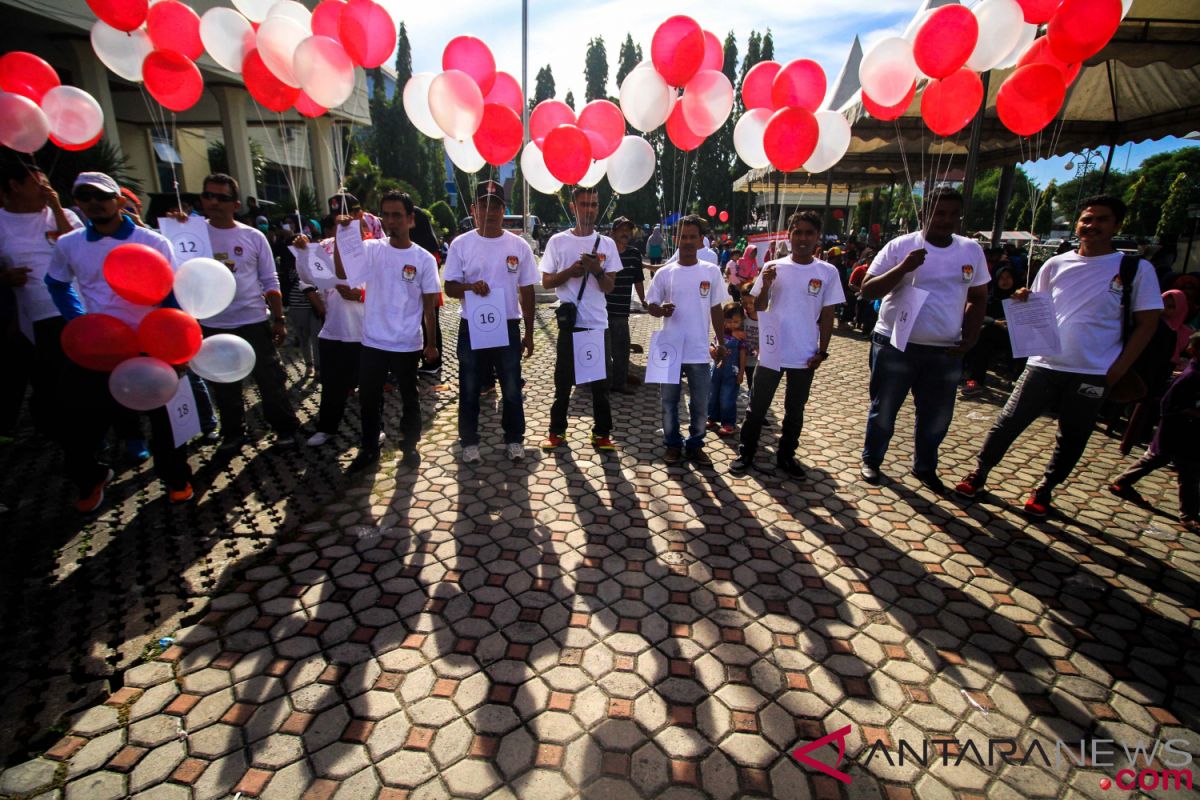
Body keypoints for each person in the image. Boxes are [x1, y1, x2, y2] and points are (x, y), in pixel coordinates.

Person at [955, 195, 1164, 516]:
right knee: (1008, 422)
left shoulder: (1135, 268)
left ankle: (1044, 490)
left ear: (1117, 224)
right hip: (1044, 363)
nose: (1092, 226)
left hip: (1094, 370)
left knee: (1073, 435)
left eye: (1102, 219)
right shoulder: (1056, 263)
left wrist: (1117, 371)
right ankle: (980, 472)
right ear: (1078, 222)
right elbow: (1039, 309)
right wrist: (1023, 298)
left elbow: (1147, 324)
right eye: (1087, 219)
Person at [44, 172, 193, 511]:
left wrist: (174, 343)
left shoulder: (152, 241)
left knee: (166, 422)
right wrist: (78, 320)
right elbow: (56, 283)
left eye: (102, 196)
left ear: (119, 201)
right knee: (77, 422)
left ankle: (175, 478)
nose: (94, 202)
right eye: (85, 196)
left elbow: (172, 294)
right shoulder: (70, 244)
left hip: (151, 345)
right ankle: (91, 477)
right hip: (98, 348)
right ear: (77, 202)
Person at [859, 188, 990, 492]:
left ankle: (925, 466)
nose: (945, 220)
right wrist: (903, 268)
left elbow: (979, 296)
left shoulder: (971, 250)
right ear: (924, 214)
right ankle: (872, 460)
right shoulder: (900, 246)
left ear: (960, 216)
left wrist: (971, 336)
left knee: (937, 417)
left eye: (952, 214)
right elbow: (867, 290)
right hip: (895, 345)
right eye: (938, 213)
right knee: (884, 410)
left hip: (945, 350)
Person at [190, 173, 301, 449]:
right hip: (213, 323)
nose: (214, 202)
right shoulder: (190, 235)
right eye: (208, 195)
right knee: (224, 383)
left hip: (252, 319)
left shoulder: (252, 236)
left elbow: (269, 279)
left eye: (222, 197)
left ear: (236, 204)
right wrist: (176, 225)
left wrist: (279, 319)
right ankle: (233, 432)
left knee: (270, 378)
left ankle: (284, 427)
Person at [332, 191, 440, 473]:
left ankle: (410, 446)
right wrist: (341, 236)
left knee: (409, 397)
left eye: (397, 215)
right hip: (373, 341)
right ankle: (369, 446)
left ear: (411, 220)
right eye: (386, 215)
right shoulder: (371, 249)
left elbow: (429, 307)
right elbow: (343, 272)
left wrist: (431, 344)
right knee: (369, 397)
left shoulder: (424, 259)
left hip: (406, 343)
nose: (391, 221)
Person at [732, 210, 844, 476]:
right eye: (798, 232)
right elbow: (757, 308)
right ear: (789, 234)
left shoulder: (827, 272)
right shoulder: (774, 268)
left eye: (809, 233)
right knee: (757, 406)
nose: (803, 238)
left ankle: (786, 456)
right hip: (772, 351)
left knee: (795, 409)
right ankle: (746, 453)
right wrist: (767, 285)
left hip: (805, 354)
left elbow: (828, 315)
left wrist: (823, 351)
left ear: (817, 237)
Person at [442, 181, 538, 464]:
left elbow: (528, 291)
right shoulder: (461, 244)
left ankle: (514, 439)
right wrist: (470, 287)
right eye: (483, 205)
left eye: (495, 205)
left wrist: (529, 334)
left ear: (503, 210)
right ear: (474, 210)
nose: (490, 211)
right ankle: (469, 442)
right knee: (469, 386)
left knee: (511, 387)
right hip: (472, 327)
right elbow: (449, 287)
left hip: (508, 326)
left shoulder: (518, 245)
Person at [0, 160, 82, 440]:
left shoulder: (64, 215)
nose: (46, 189)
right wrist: (6, 276)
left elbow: (78, 249)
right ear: (15, 186)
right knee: (47, 377)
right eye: (39, 183)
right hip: (31, 314)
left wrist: (57, 208)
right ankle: (53, 431)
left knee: (76, 371)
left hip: (72, 307)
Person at [540, 187, 622, 451]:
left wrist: (596, 269)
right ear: (573, 207)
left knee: (599, 385)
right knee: (562, 381)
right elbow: (547, 280)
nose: (590, 210)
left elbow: (610, 287)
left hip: (596, 324)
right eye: (585, 204)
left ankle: (601, 433)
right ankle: (556, 431)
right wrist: (570, 272)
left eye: (594, 205)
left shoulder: (607, 244)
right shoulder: (557, 241)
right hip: (569, 323)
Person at [645, 215, 727, 465]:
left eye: (693, 236)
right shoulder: (664, 273)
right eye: (684, 236)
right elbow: (650, 304)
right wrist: (660, 310)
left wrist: (721, 342)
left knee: (700, 403)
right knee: (668, 402)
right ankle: (672, 444)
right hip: (669, 346)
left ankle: (695, 444)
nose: (688, 241)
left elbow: (716, 309)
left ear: (701, 240)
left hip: (699, 349)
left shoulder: (711, 271)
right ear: (675, 238)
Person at [1109, 331, 1200, 534]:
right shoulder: (1191, 376)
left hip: (1192, 435)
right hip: (1177, 430)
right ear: (1194, 351)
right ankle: (1189, 514)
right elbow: (1169, 405)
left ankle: (1123, 482)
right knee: (1164, 463)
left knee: (1188, 472)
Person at [292, 235, 365, 449]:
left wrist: (361, 295)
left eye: (352, 216)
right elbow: (307, 279)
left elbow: (384, 291)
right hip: (333, 330)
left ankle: (372, 429)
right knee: (332, 386)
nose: (345, 221)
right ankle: (327, 428)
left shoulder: (373, 246)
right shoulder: (324, 246)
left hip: (364, 331)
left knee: (369, 388)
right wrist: (304, 252)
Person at [961, 265, 1019, 397]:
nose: (1005, 281)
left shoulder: (1018, 298)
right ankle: (975, 380)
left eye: (1008, 277)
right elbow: (979, 314)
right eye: (1002, 278)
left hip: (1014, 336)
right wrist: (995, 322)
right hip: (993, 335)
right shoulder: (989, 296)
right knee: (983, 337)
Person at [606, 216, 646, 394]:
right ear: (613, 232)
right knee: (603, 350)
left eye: (628, 230)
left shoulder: (634, 254)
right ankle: (603, 384)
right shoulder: (603, 251)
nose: (625, 233)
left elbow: (638, 281)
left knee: (621, 349)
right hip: (601, 310)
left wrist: (644, 301)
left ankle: (620, 383)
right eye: (621, 229)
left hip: (621, 310)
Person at [705, 302, 746, 436]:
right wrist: (711, 349)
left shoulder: (740, 337)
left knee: (727, 397)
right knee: (713, 394)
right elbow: (712, 344)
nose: (732, 324)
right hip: (716, 371)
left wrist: (741, 373)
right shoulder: (720, 334)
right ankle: (711, 417)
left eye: (736, 322)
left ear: (742, 321)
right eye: (728, 321)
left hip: (731, 373)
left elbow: (742, 355)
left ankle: (728, 423)